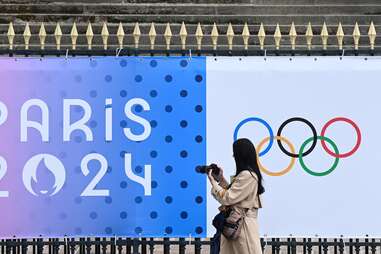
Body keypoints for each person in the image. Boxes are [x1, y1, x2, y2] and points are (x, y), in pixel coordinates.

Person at [208, 138, 264, 254]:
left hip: (242, 227)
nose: (233, 156)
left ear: (240, 155)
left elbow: (227, 198)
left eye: (235, 153)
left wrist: (213, 183)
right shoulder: (247, 174)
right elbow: (234, 195)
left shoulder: (247, 175)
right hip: (237, 225)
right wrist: (221, 179)